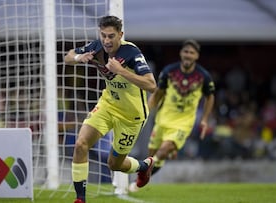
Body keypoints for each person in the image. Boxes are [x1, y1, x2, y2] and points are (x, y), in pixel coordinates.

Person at [64, 15, 157, 203]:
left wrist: (121, 71)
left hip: (131, 116)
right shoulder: (97, 46)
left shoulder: (132, 53)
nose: (106, 41)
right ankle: (80, 199)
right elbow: (68, 56)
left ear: (120, 35)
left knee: (114, 164)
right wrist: (78, 57)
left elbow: (151, 84)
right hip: (107, 105)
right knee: (81, 144)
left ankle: (143, 166)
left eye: (111, 36)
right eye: (103, 35)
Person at [129, 39, 215, 192]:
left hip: (183, 123)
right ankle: (154, 166)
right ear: (181, 53)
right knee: (154, 155)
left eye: (192, 53)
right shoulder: (169, 71)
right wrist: (146, 111)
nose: (188, 55)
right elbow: (158, 94)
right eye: (186, 52)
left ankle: (137, 180)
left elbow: (210, 96)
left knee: (163, 149)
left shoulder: (203, 76)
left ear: (197, 56)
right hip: (163, 120)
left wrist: (204, 119)